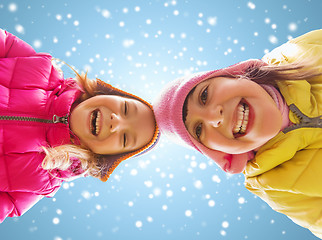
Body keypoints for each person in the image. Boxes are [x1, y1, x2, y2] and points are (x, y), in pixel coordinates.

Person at [154, 29, 322, 238]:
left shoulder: (301, 54)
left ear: (233, 75)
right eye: (198, 129)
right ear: (218, 153)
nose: (215, 117)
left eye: (204, 95)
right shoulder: (275, 185)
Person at [0, 28, 160, 222]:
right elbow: (5, 44)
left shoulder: (41, 181)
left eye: (125, 138)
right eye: (126, 109)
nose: (116, 122)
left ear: (103, 156)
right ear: (106, 94)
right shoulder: (41, 69)